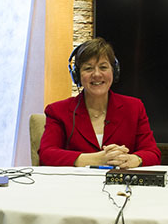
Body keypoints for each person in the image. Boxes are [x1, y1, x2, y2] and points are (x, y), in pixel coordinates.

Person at [38, 37, 161, 167]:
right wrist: (96, 159)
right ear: (77, 75)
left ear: (114, 72)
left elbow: (153, 153)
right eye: (88, 68)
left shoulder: (134, 107)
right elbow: (46, 155)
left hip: (119, 186)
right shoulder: (57, 111)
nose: (97, 74)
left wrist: (132, 159)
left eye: (103, 67)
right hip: (75, 185)